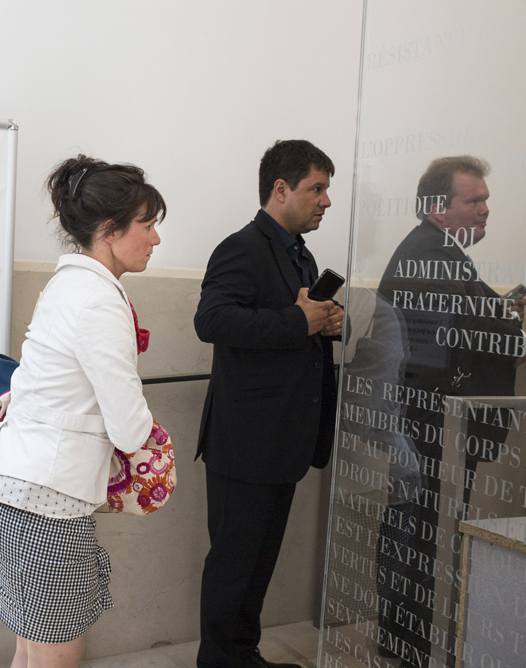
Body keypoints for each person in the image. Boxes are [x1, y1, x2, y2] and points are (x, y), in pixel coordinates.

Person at [0, 155, 166, 668]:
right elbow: (130, 429)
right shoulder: (99, 301)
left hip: (11, 484)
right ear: (109, 230)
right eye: (147, 226)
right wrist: (147, 431)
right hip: (44, 502)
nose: (155, 239)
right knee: (54, 656)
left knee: (30, 650)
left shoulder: (68, 284)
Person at [374, 155, 526, 668]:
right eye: (474, 201)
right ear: (439, 208)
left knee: (419, 529)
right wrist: (505, 325)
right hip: (432, 423)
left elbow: (463, 321)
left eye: (485, 201)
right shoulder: (434, 253)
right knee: (421, 532)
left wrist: (497, 314)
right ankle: (411, 642)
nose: (485, 211)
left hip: (429, 421)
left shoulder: (440, 251)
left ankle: (406, 637)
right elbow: (443, 344)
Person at [194, 140, 342, 668]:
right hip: (246, 441)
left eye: (328, 189)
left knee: (258, 565)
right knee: (234, 564)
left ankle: (242, 656)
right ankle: (218, 661)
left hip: (282, 439)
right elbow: (211, 321)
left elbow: (294, 324)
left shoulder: (300, 254)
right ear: (280, 190)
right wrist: (298, 322)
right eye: (316, 189)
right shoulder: (243, 247)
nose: (326, 201)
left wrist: (325, 324)